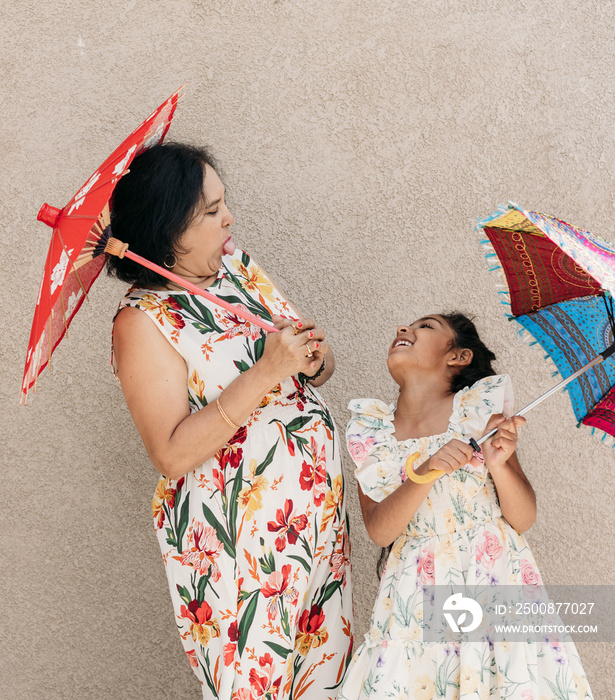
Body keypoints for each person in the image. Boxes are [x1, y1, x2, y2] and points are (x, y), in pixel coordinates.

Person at [108, 143, 353, 699]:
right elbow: (169, 454)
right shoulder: (141, 321)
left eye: (224, 203)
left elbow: (312, 360)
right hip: (242, 549)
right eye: (212, 210)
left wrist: (312, 356)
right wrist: (267, 372)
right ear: (170, 229)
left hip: (313, 535)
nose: (229, 218)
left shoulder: (237, 269)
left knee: (325, 685)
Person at [339, 313, 593, 699]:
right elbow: (380, 530)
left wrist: (499, 464)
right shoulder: (373, 434)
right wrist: (425, 471)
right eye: (406, 326)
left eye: (425, 326)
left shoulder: (479, 416)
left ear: (458, 356)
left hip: (491, 578)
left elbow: (523, 517)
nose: (402, 330)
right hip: (417, 594)